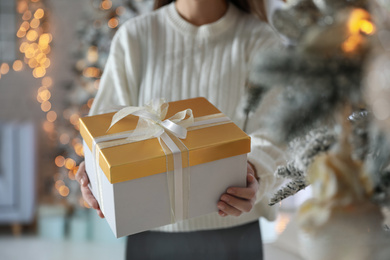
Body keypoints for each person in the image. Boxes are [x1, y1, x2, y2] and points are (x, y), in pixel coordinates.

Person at [76, 0, 286, 259]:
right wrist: (95, 174)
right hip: (150, 234)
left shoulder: (261, 40)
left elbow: (276, 131)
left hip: (233, 234)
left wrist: (254, 170)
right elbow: (106, 127)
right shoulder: (135, 36)